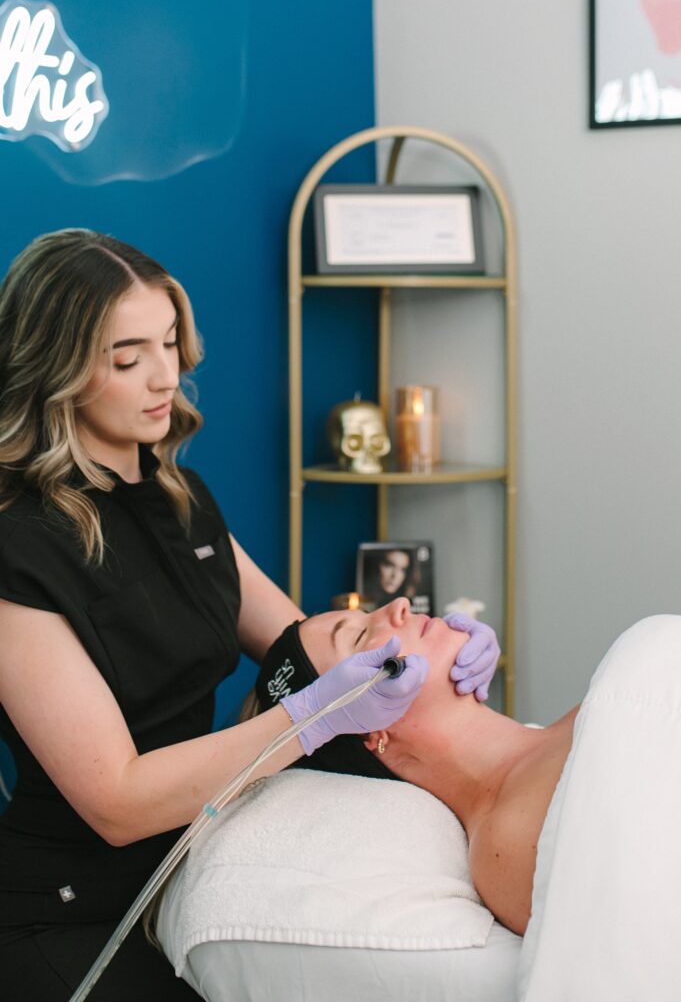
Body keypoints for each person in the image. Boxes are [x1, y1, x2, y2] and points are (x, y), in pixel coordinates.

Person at [0, 229, 501, 1001]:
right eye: (127, 358)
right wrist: (307, 717)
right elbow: (115, 801)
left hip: (193, 865)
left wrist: (423, 659)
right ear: (55, 370)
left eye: (169, 342)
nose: (165, 376)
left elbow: (310, 649)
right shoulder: (19, 545)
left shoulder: (180, 501)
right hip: (67, 910)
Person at [253, 597, 578, 937]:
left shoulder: (591, 708)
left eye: (366, 613)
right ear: (368, 728)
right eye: (359, 636)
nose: (400, 604)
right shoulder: (509, 846)